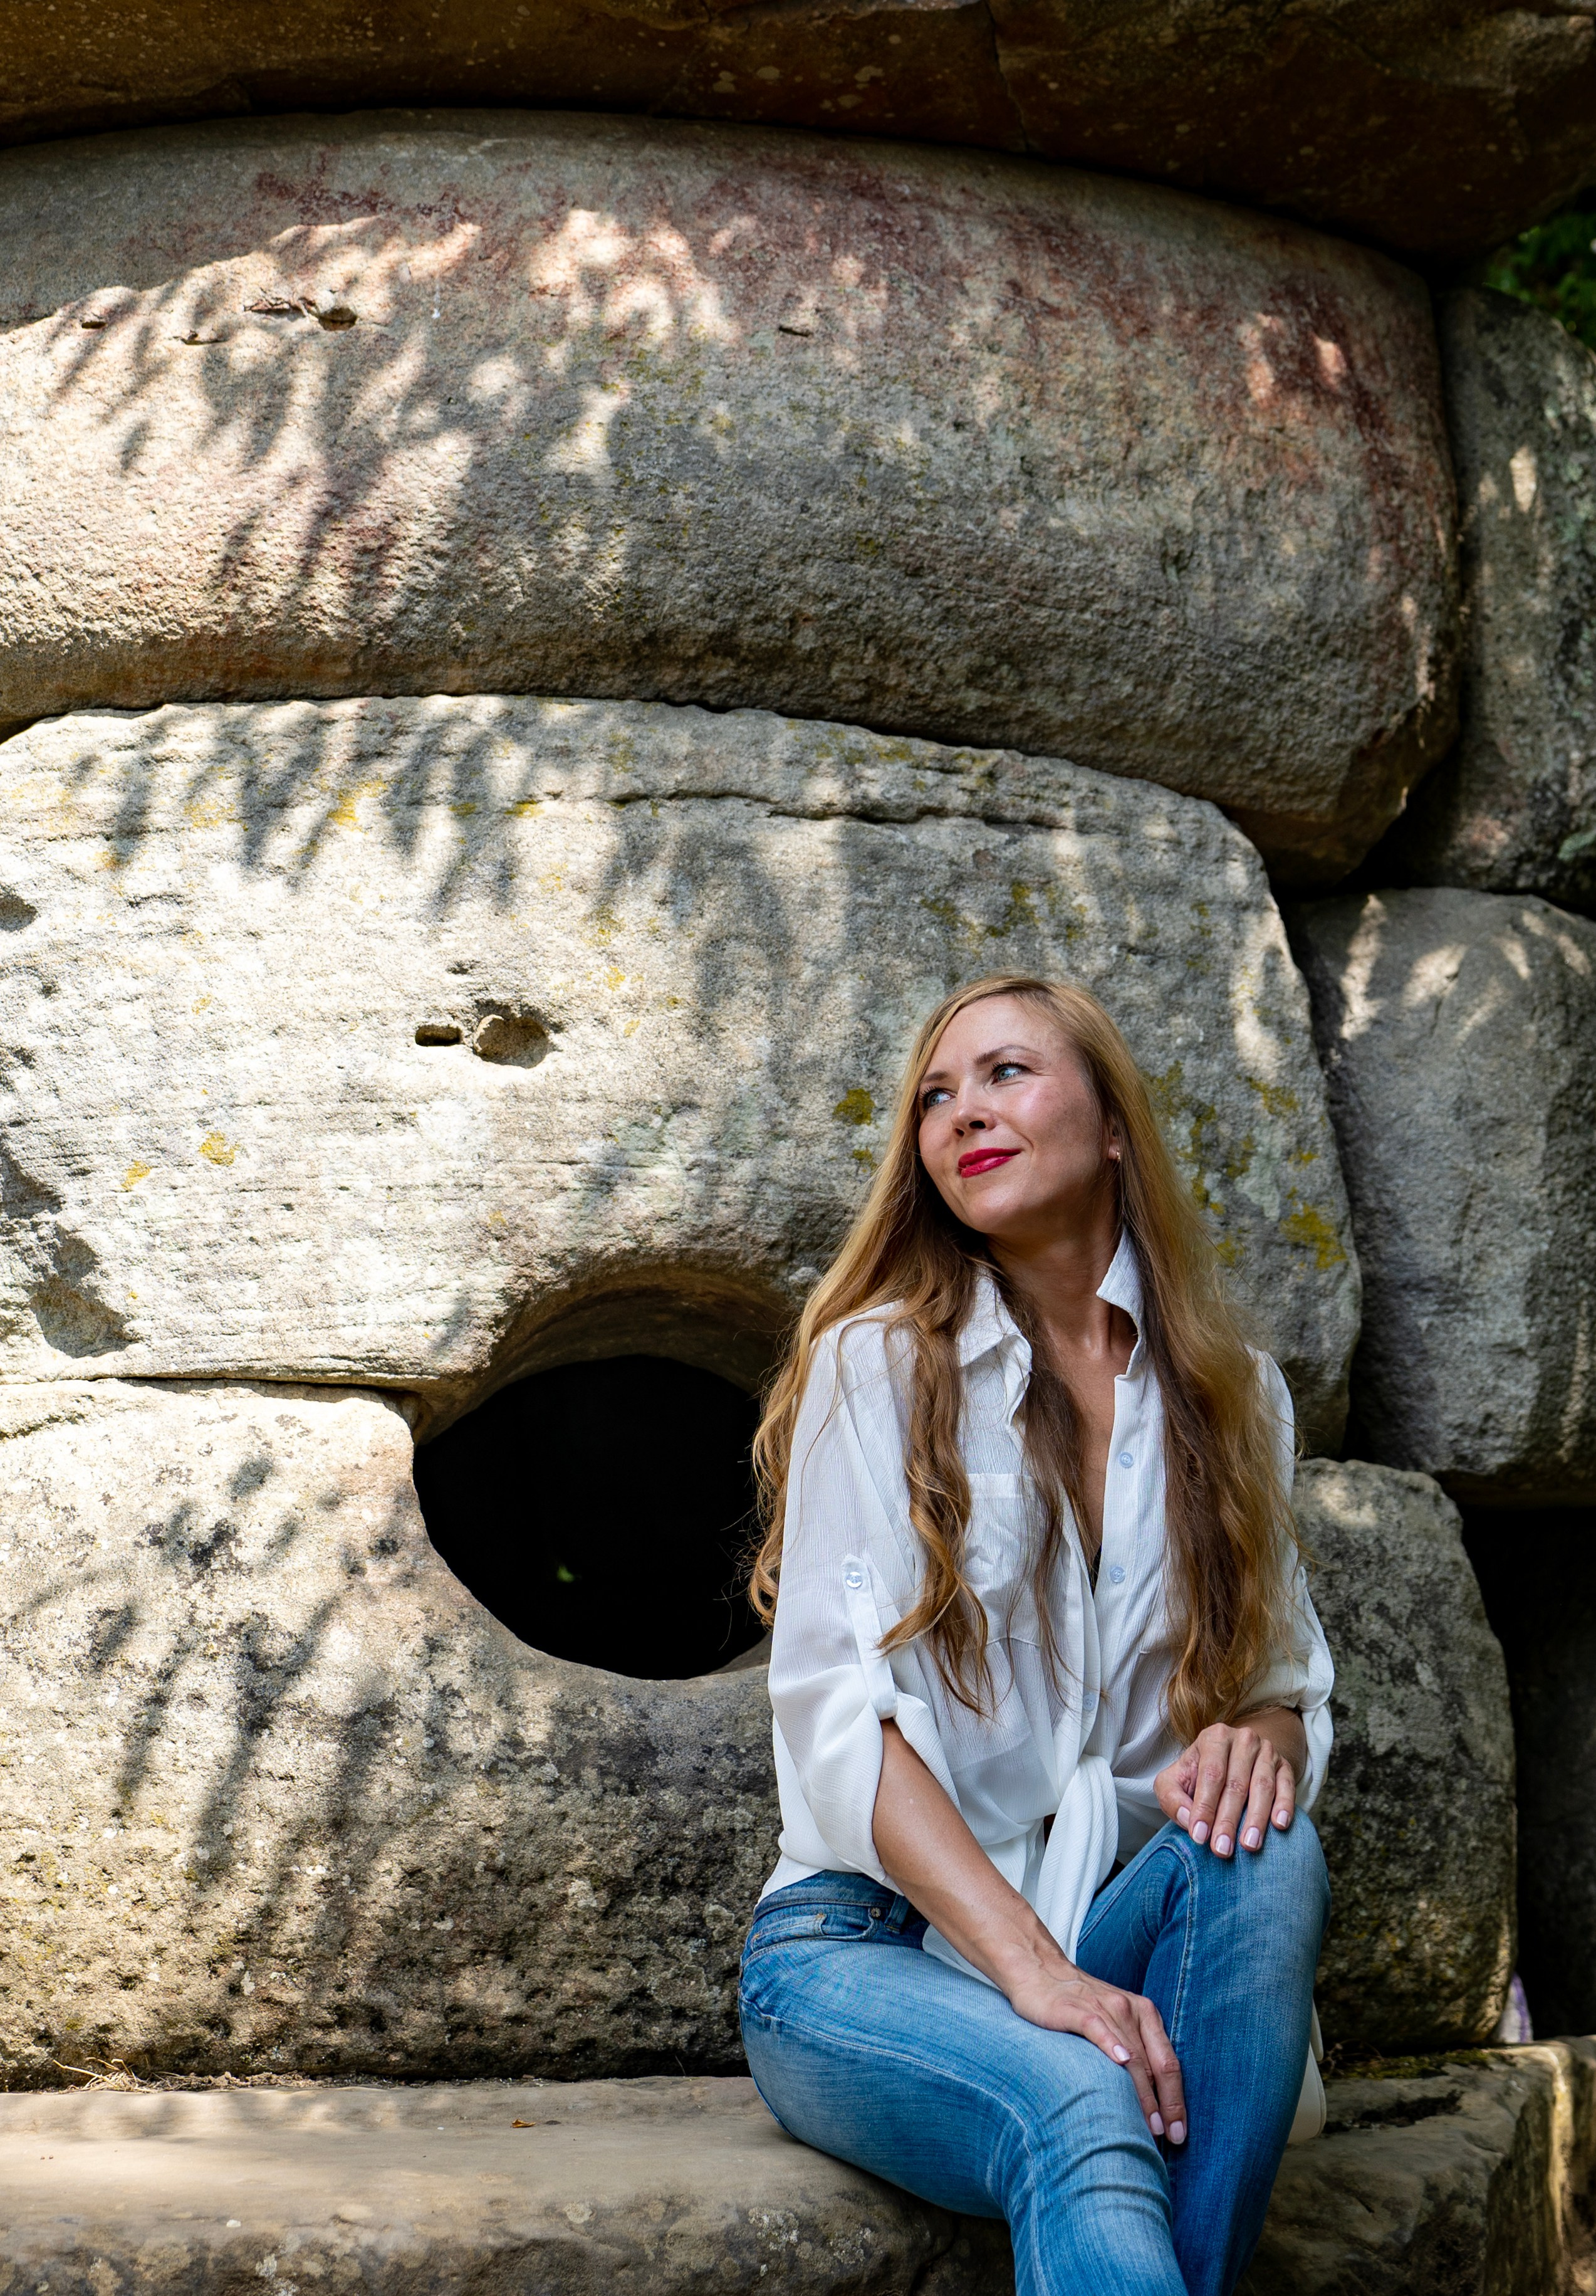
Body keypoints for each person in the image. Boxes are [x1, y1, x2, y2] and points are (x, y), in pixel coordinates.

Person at [739, 973, 1332, 2296]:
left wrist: (1254, 1739)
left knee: (1263, 1849)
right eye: (933, 1099)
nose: (960, 1114)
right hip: (864, 1954)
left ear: (1111, 1123)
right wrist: (1036, 1979)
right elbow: (839, 1712)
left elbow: (1289, 1685)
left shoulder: (1233, 1401)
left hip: (1097, 1933)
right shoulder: (875, 1363)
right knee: (1077, 2094)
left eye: (1004, 1073)